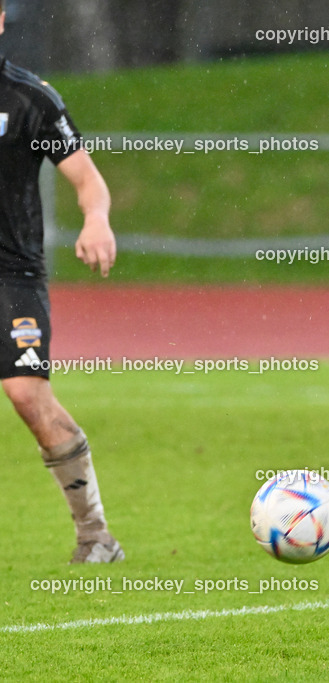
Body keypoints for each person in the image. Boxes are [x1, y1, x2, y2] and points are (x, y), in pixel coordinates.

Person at [0, 3, 123, 562]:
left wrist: (95, 218)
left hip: (12, 274)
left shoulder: (32, 100)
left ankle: (95, 533)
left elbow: (87, 180)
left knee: (26, 392)